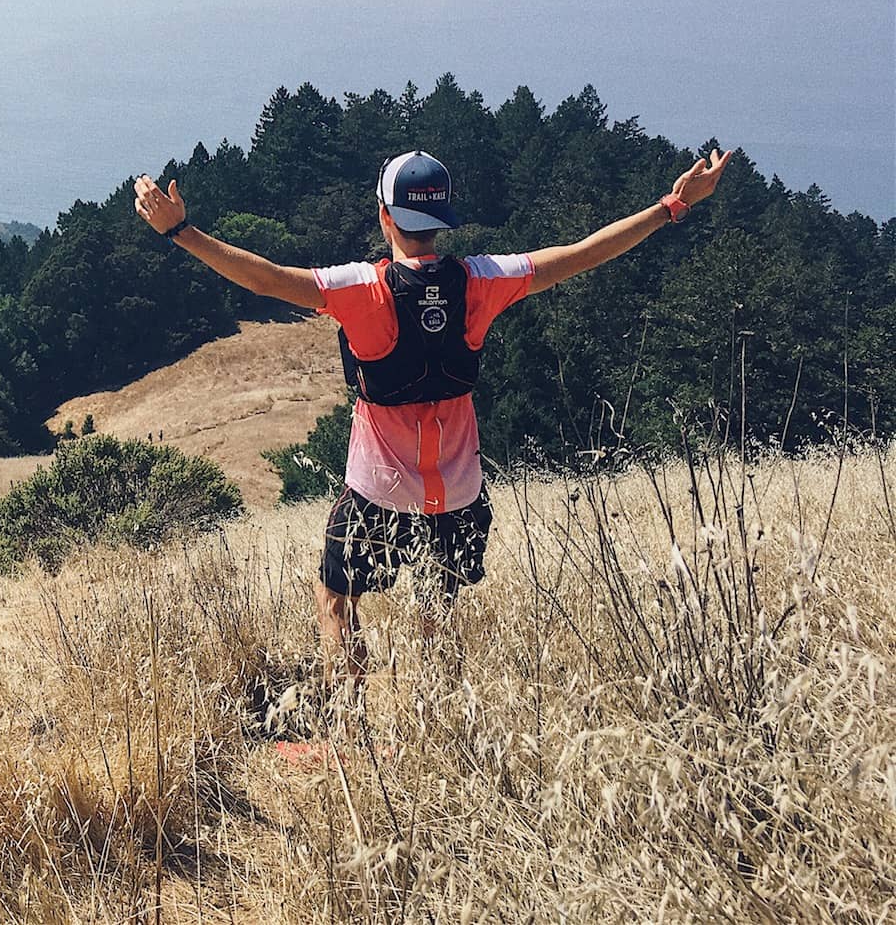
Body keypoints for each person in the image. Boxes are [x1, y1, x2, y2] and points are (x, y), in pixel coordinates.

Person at [133, 145, 732, 711]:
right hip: (459, 494)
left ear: (384, 216)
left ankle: (353, 720)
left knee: (335, 599)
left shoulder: (361, 289)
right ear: (442, 218)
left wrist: (179, 231)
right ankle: (441, 727)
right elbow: (580, 254)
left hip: (378, 493)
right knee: (436, 611)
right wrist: (670, 206)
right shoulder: (480, 279)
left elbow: (266, 278)